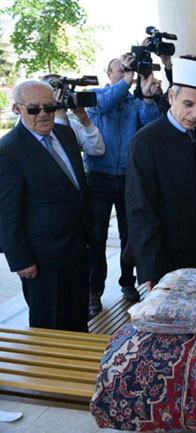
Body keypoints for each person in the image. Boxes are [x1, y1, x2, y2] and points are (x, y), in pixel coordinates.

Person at [126, 55, 196, 290]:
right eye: (188, 104)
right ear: (171, 97)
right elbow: (140, 211)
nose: (195, 114)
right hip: (168, 260)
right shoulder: (145, 142)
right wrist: (149, 268)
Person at [0, 81, 94, 331]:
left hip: (77, 251)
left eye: (50, 107)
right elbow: (7, 214)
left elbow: (76, 189)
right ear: (17, 109)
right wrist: (21, 260)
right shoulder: (8, 151)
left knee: (78, 322)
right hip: (42, 263)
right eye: (34, 109)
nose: (43, 114)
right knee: (48, 327)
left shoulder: (65, 134)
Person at [86, 54, 159, 318]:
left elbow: (151, 124)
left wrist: (147, 97)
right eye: (120, 70)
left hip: (128, 178)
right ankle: (94, 291)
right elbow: (105, 105)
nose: (125, 74)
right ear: (109, 74)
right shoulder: (96, 96)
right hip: (99, 177)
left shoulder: (134, 102)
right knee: (97, 238)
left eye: (127, 71)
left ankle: (128, 281)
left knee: (131, 235)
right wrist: (128, 80)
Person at [40, 74, 106, 157]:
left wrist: (85, 121)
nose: (65, 94)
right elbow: (55, 155)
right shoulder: (38, 126)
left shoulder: (73, 125)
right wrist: (59, 118)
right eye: (60, 91)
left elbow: (97, 150)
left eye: (67, 90)